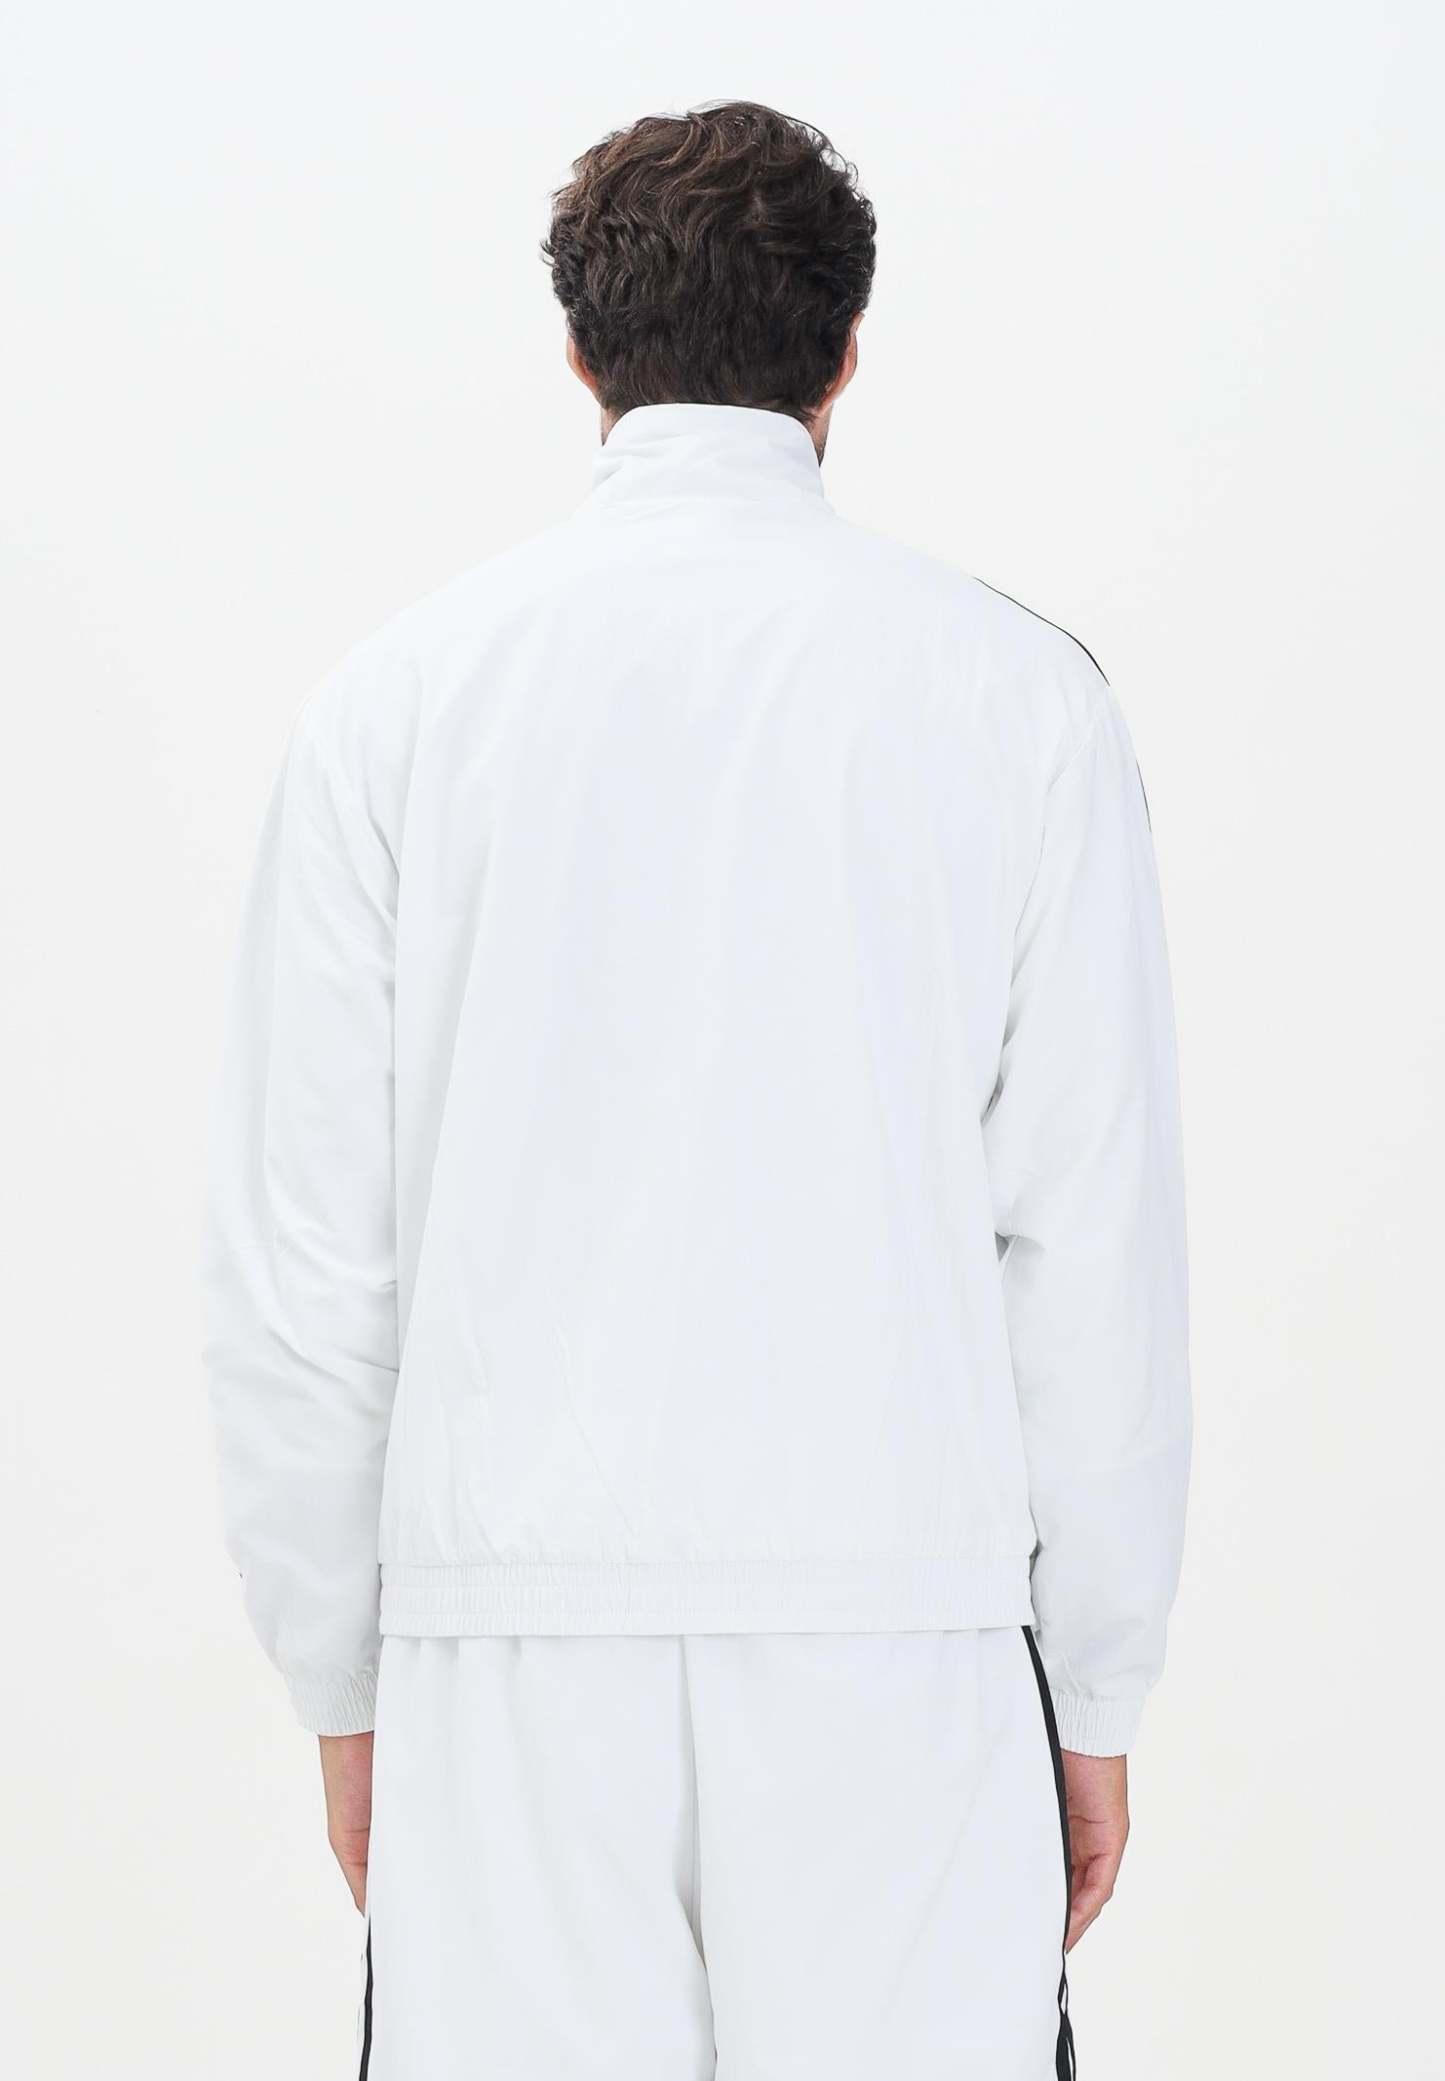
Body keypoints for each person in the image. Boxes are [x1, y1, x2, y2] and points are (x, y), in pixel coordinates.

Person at [203, 99, 1189, 2081]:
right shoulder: (1017, 698)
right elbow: (1088, 1245)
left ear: (579, 353)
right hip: (900, 1632)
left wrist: (342, 1681)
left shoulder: (398, 703)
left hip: (504, 1639)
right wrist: (1092, 1691)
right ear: (845, 355)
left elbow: (309, 1266)